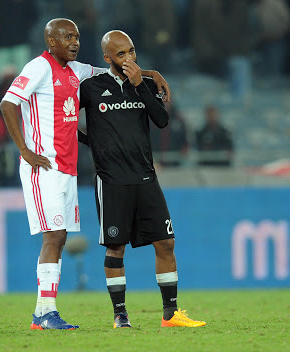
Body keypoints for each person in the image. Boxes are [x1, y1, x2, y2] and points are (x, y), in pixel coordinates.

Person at [0, 18, 171, 331]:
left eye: (77, 36)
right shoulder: (38, 67)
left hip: (66, 168)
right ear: (51, 41)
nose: (74, 42)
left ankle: (42, 313)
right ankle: (46, 312)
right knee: (53, 236)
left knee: (60, 237)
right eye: (67, 37)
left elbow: (115, 72)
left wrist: (151, 73)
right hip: (43, 165)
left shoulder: (77, 71)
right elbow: (8, 103)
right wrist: (24, 150)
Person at [78, 30, 206, 329]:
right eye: (121, 54)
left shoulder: (145, 85)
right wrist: (92, 142)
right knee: (116, 248)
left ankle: (170, 314)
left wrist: (141, 84)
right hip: (112, 180)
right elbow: (63, 119)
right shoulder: (92, 88)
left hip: (146, 176)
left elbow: (162, 120)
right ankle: (120, 315)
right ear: (108, 58)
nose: (129, 58)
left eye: (132, 51)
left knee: (166, 243)